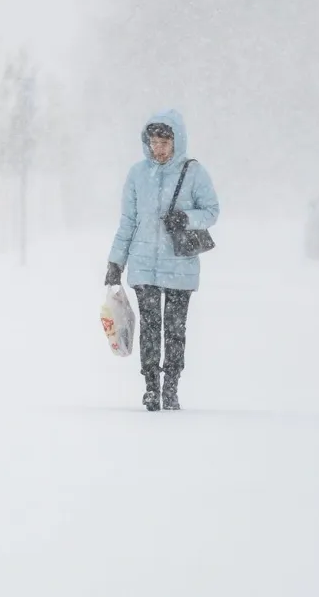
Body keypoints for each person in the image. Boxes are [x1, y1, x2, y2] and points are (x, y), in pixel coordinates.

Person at [104, 109, 220, 411]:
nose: (158, 148)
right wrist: (116, 263)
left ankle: (172, 386)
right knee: (150, 328)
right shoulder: (137, 175)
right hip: (143, 266)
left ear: (176, 141)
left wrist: (185, 218)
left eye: (164, 142)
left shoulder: (194, 173)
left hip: (180, 266)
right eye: (154, 142)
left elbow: (211, 211)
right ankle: (151, 387)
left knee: (175, 330)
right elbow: (127, 222)